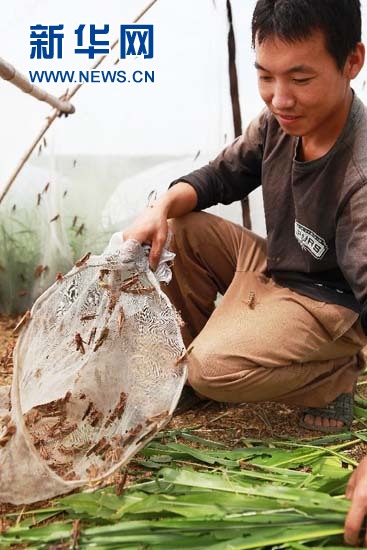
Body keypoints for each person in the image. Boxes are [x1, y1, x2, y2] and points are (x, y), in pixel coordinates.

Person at [124, 0, 367, 544]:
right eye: (265, 76)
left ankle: (331, 376)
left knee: (212, 368)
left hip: (327, 300)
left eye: (300, 77)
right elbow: (220, 176)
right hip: (276, 265)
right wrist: (161, 206)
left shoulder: (360, 175)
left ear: (352, 61)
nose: (280, 98)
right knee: (181, 228)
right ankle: (189, 374)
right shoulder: (282, 122)